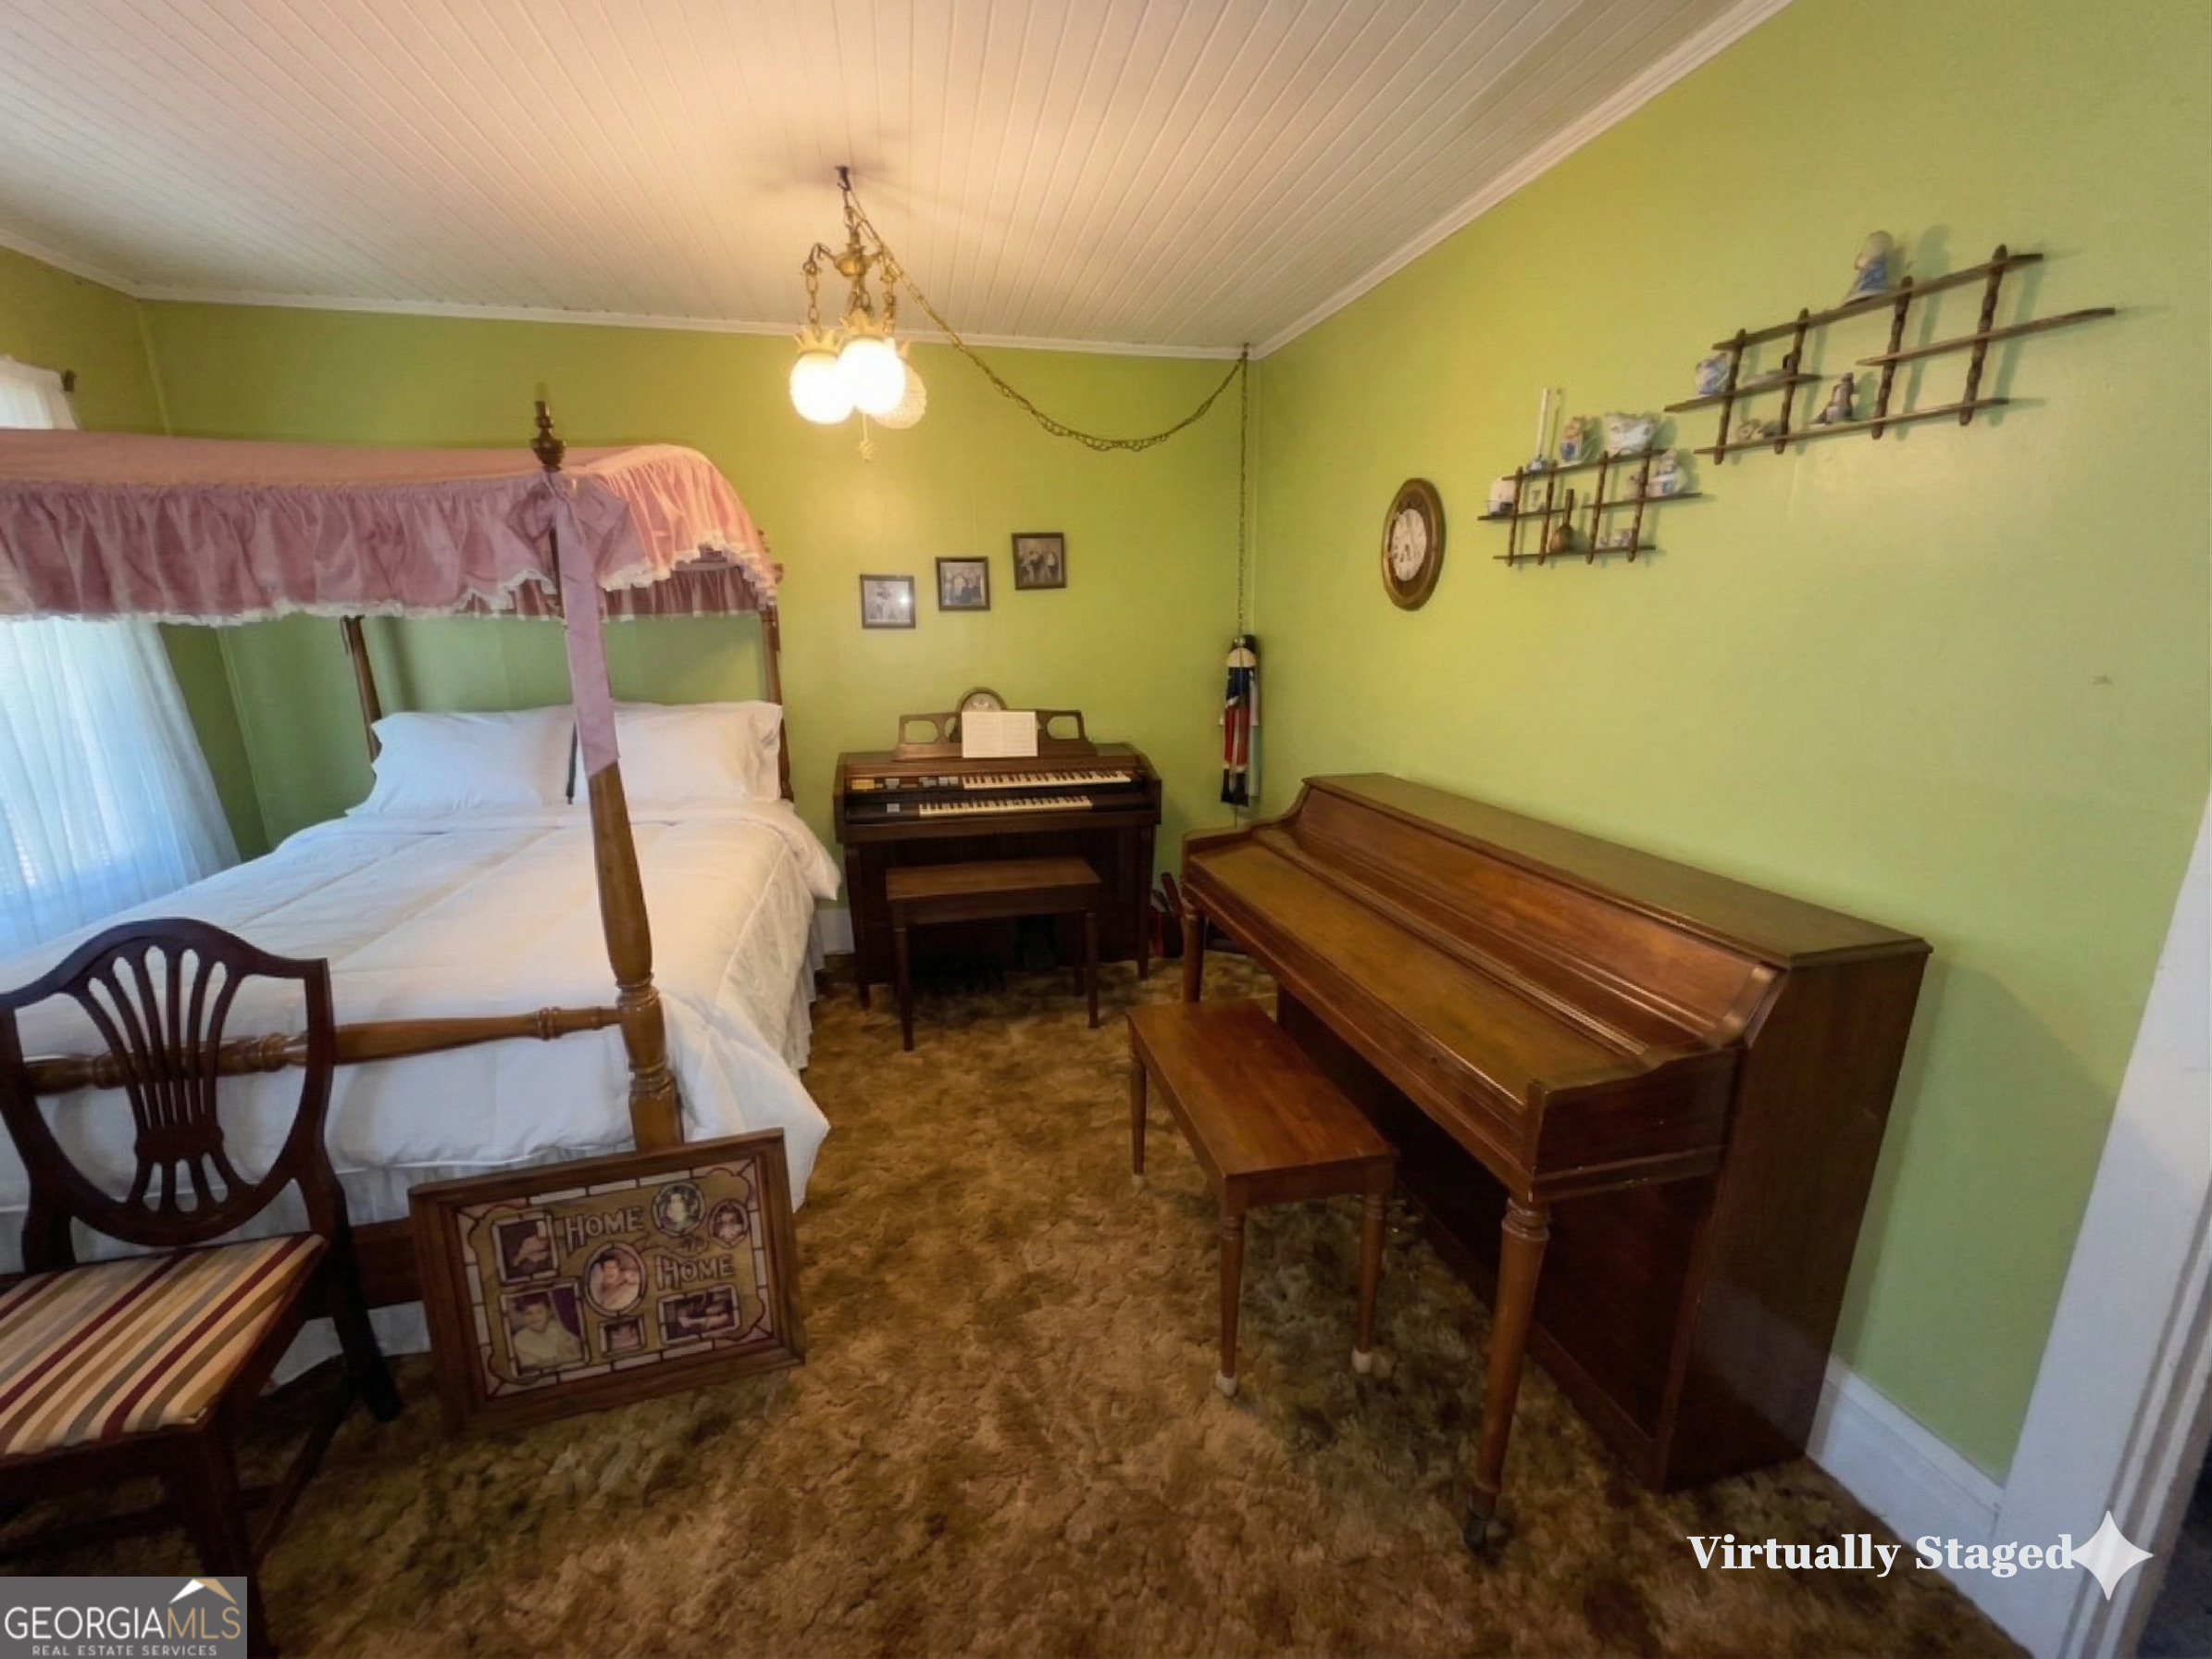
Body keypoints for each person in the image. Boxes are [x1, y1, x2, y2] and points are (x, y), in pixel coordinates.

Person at [510, 1292, 583, 1371]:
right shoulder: (517, 1340)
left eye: (539, 1312)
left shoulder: (557, 1326)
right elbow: (530, 1365)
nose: (534, 1317)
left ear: (548, 1312)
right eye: (528, 1314)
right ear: (522, 1316)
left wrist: (572, 1347)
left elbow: (576, 1347)